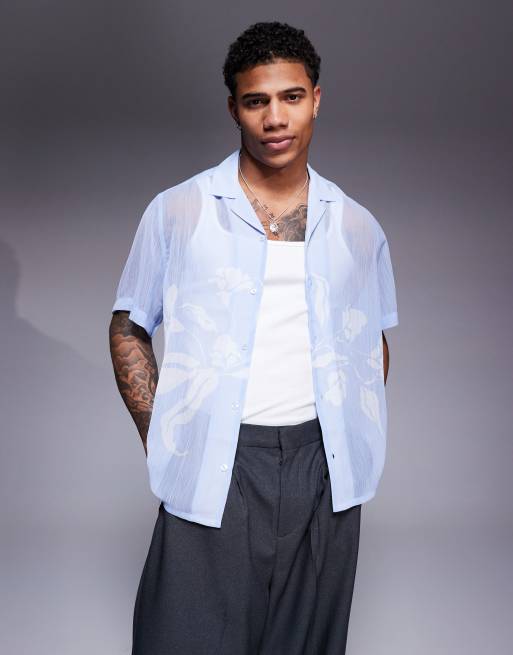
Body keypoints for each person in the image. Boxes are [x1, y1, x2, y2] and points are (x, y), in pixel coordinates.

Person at [109, 20, 399, 655]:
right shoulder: (180, 211)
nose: (275, 118)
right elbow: (129, 325)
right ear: (233, 109)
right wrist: (167, 436)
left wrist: (349, 431)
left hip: (323, 466)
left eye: (291, 97)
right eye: (256, 101)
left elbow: (373, 341)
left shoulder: (356, 226)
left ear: (316, 99)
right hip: (221, 454)